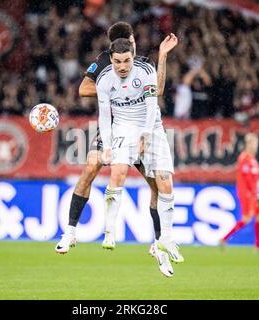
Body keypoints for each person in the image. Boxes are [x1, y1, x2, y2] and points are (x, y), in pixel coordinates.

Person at [55, 22, 178, 256]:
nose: (133, 44)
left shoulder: (143, 63)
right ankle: (70, 232)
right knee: (91, 167)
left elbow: (157, 90)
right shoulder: (104, 60)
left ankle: (159, 240)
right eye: (131, 39)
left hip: (141, 127)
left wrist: (162, 57)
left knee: (156, 184)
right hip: (113, 126)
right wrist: (114, 90)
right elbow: (83, 89)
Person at [97, 38, 183, 277]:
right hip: (123, 127)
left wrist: (146, 134)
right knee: (118, 171)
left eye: (126, 61)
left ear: (133, 56)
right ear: (111, 58)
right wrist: (106, 143)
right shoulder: (104, 79)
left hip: (151, 126)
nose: (122, 66)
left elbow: (151, 105)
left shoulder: (145, 70)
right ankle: (110, 231)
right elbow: (105, 116)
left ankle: (165, 239)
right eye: (117, 61)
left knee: (164, 181)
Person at [220, 133, 259, 250]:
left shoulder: (253, 160)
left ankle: (258, 246)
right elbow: (247, 179)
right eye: (253, 143)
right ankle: (224, 239)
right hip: (247, 194)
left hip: (255, 193)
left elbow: (254, 180)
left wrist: (257, 192)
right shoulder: (244, 158)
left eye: (256, 143)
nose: (255, 146)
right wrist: (255, 193)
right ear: (248, 144)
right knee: (246, 219)